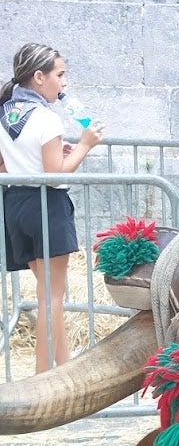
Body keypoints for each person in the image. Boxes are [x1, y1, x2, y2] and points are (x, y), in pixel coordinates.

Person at [0, 43, 104, 372]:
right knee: (52, 297)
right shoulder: (46, 117)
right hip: (46, 205)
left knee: (48, 292)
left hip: (16, 204)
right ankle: (42, 377)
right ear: (39, 76)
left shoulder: (6, 113)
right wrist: (85, 145)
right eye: (60, 74)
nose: (64, 82)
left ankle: (64, 368)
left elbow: (3, 165)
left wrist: (45, 156)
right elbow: (55, 176)